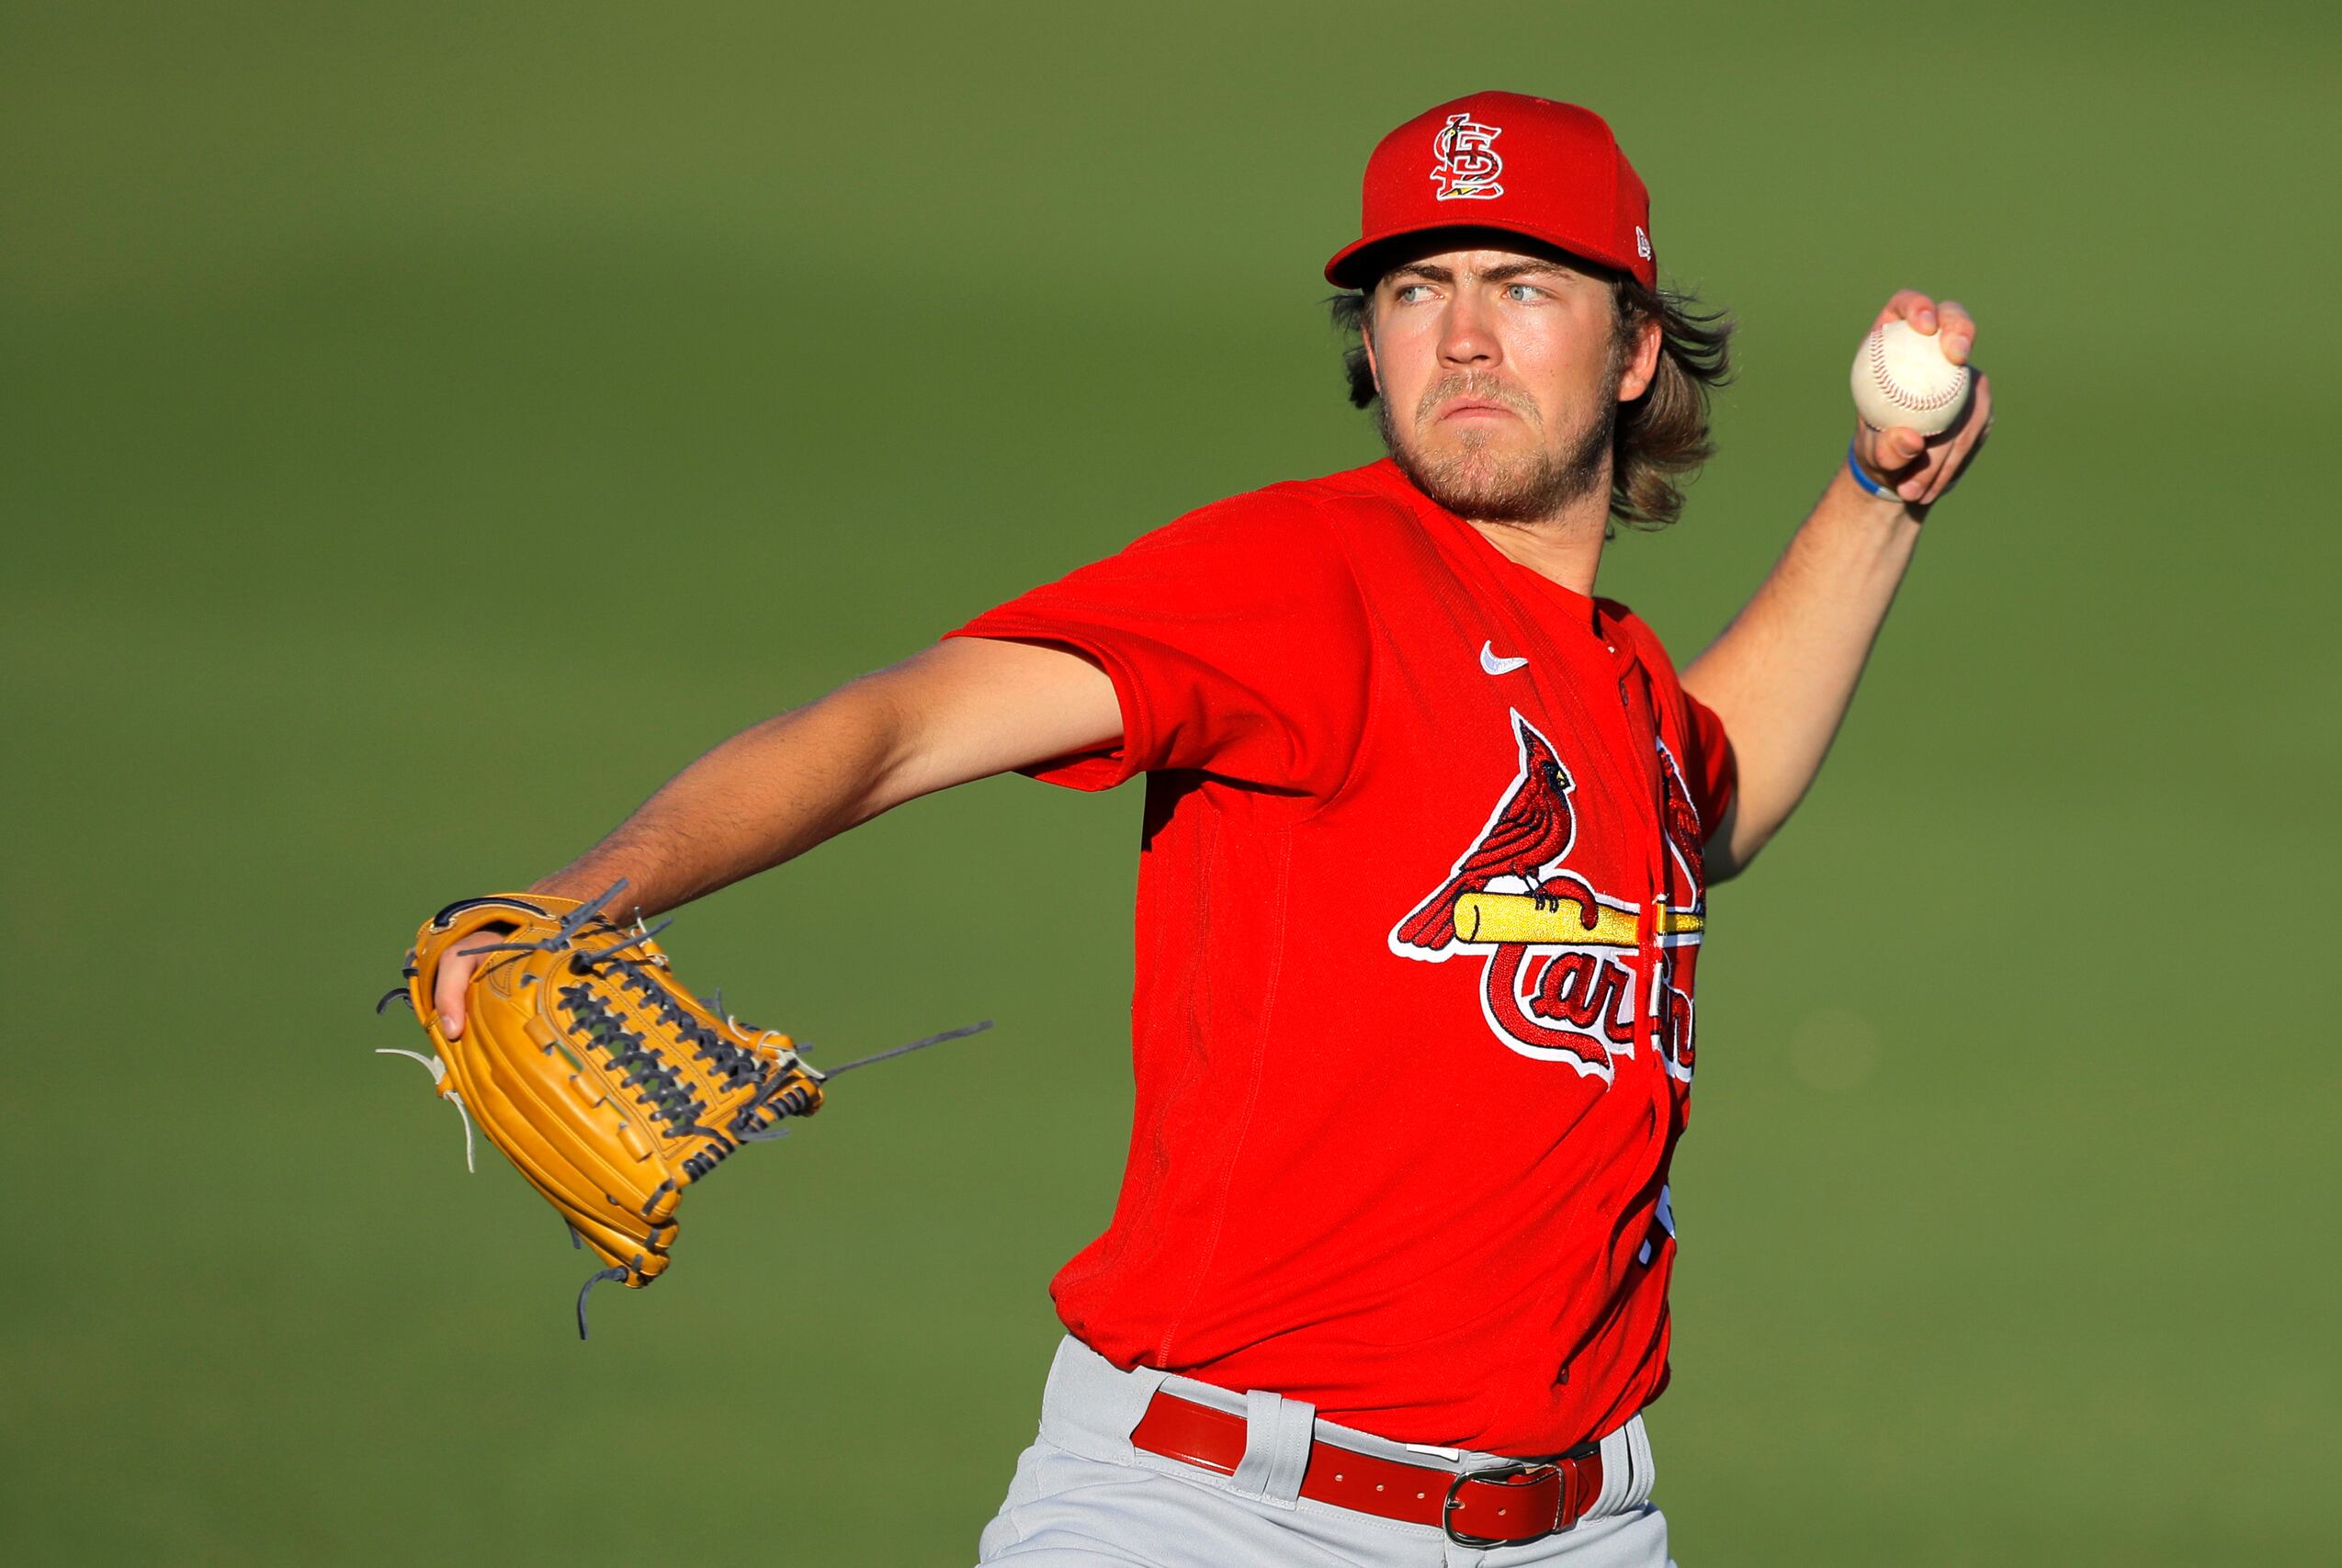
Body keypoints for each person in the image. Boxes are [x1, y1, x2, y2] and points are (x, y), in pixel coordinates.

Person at [425, 91, 1991, 1566]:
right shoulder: (1310, 577)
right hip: (1214, 1513)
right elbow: (906, 721)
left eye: (1521, 285)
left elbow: (1716, 792)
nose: (1458, 336)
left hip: (1586, 1526)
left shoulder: (1622, 692)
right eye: (1412, 289)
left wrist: (1879, 492)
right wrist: (594, 887)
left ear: (1636, 348)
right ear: (1368, 347)